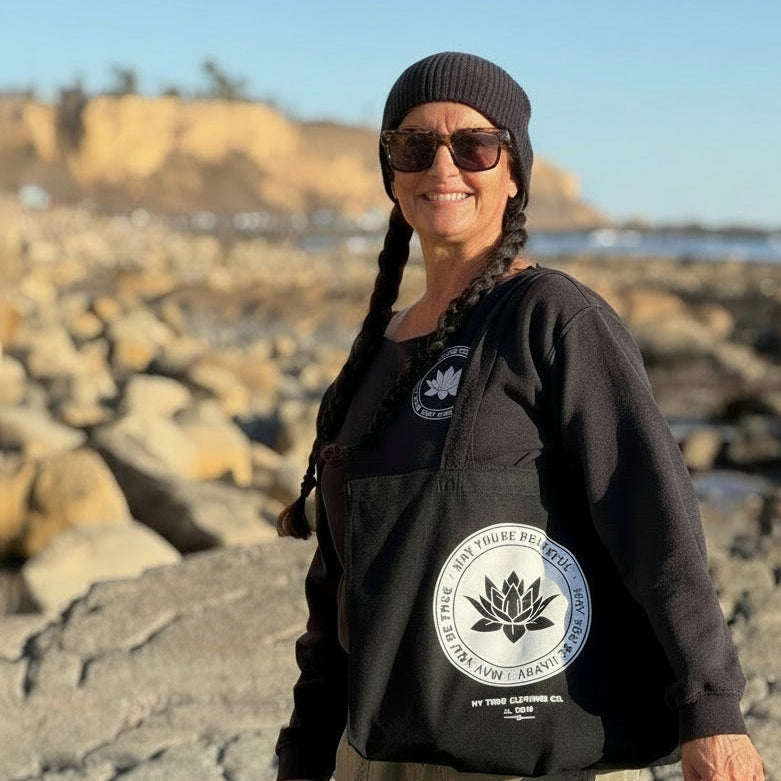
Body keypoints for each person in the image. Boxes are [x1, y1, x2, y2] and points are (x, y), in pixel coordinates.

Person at [274, 52, 765, 781]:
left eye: (472, 145)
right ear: (392, 174)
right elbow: (336, 587)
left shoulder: (554, 319)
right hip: (370, 752)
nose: (443, 167)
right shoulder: (369, 360)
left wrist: (711, 709)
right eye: (414, 145)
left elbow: (652, 515)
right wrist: (304, 750)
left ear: (512, 172)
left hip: (514, 748)